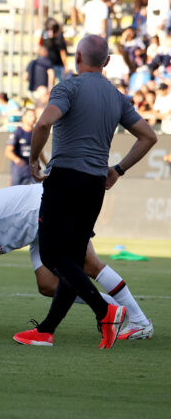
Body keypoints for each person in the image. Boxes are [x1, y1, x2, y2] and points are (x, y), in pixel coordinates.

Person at [14, 35, 157, 348]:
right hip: (94, 185)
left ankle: (105, 311)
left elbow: (42, 125)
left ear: (78, 57)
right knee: (74, 261)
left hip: (65, 179)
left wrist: (33, 159)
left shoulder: (69, 87)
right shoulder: (116, 96)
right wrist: (117, 170)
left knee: (52, 255)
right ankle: (47, 330)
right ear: (106, 62)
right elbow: (148, 136)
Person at [0, 184, 152, 340]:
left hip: (45, 206)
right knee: (48, 285)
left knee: (89, 264)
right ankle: (115, 309)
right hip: (34, 229)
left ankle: (139, 321)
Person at [5, 107, 36, 186]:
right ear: (24, 117)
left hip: (33, 172)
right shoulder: (17, 132)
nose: (33, 118)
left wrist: (46, 163)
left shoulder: (36, 133)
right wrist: (17, 159)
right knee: (15, 195)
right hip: (19, 172)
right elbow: (8, 151)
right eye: (30, 116)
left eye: (34, 116)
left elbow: (39, 151)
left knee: (35, 195)